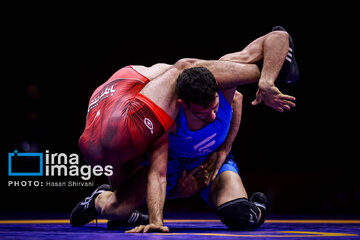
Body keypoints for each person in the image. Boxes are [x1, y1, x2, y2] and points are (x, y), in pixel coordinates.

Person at [70, 26, 298, 233]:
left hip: (212, 162)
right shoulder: (164, 117)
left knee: (240, 216)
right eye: (202, 113)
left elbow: (277, 38)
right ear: (182, 105)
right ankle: (96, 199)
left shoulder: (224, 84)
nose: (212, 117)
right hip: (172, 165)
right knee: (116, 209)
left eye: (215, 107)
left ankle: (257, 206)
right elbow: (158, 173)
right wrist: (159, 219)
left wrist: (267, 81)